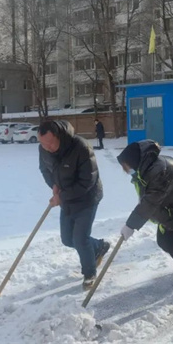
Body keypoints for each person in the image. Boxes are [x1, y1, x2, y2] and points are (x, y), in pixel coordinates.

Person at [117, 140, 173, 300]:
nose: (125, 170)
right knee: (164, 241)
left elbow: (150, 202)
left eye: (125, 166)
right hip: (172, 208)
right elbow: (147, 200)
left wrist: (131, 225)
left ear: (134, 161)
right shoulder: (143, 172)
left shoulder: (159, 170)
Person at [38, 120, 110, 290]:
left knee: (80, 239)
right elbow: (45, 169)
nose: (47, 147)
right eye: (43, 144)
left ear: (59, 136)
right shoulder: (44, 148)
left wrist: (61, 196)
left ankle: (89, 273)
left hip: (87, 198)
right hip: (66, 198)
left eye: (50, 143)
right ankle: (99, 246)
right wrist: (54, 185)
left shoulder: (81, 147)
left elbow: (87, 181)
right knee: (67, 239)